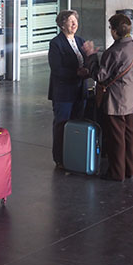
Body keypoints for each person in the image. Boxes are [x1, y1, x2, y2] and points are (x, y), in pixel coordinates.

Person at [83, 13, 133, 181]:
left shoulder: (114, 51)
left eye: (110, 28)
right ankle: (129, 169)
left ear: (115, 31)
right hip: (132, 98)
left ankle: (116, 173)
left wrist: (91, 56)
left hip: (116, 100)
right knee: (130, 136)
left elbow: (100, 76)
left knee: (116, 138)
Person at [47, 10, 94, 167]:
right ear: (62, 24)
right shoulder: (56, 43)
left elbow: (86, 62)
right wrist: (77, 73)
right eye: (70, 21)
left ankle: (73, 154)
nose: (75, 24)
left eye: (76, 21)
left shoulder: (80, 41)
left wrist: (91, 58)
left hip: (80, 90)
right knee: (62, 124)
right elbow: (57, 69)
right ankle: (60, 158)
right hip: (64, 92)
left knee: (77, 122)